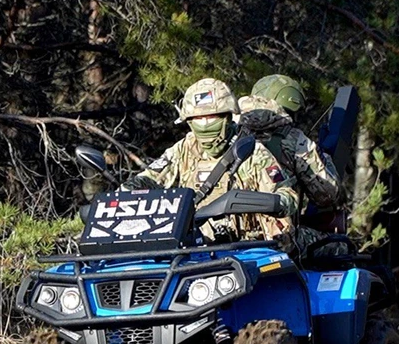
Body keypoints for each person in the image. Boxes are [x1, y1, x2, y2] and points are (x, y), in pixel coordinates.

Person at [124, 77, 299, 243]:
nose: (206, 125)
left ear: (228, 117)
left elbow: (287, 197)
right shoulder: (185, 148)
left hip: (246, 248)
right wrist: (121, 196)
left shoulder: (253, 152)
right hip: (194, 246)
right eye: (199, 119)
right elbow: (151, 177)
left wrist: (256, 201)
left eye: (212, 118)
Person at [238, 74, 347, 254]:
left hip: (225, 240)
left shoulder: (229, 132)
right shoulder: (294, 140)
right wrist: (323, 158)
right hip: (275, 240)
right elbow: (327, 194)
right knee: (340, 247)